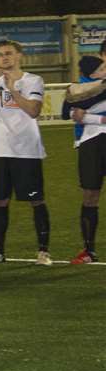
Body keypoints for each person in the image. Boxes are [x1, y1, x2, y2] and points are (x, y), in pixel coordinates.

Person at [0, 39, 48, 264]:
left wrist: (12, 89)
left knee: (36, 200)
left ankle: (43, 252)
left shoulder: (33, 80)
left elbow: (33, 110)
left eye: (8, 53)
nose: (4, 58)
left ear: (19, 56)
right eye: (1, 54)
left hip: (27, 150)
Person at [64, 51, 105, 264]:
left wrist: (87, 116)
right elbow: (66, 110)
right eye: (102, 67)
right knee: (90, 195)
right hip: (90, 144)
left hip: (95, 135)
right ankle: (88, 250)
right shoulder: (80, 86)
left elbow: (77, 108)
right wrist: (76, 111)